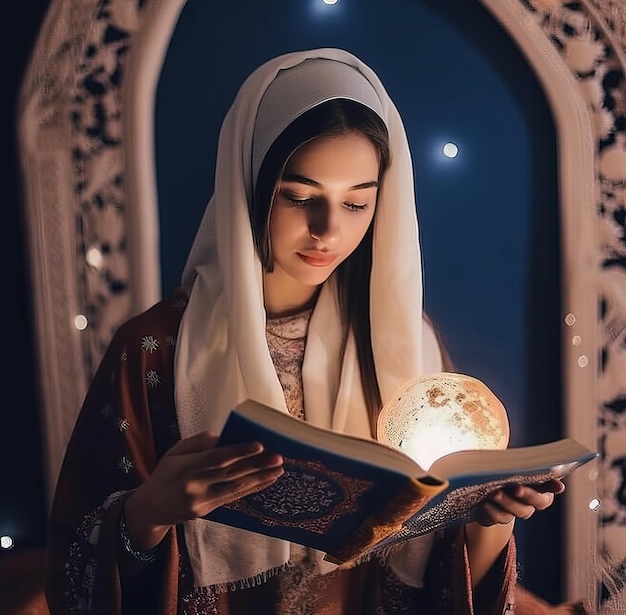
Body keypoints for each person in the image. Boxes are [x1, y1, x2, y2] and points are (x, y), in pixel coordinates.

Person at [45, 48, 574, 615]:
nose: (328, 230)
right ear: (248, 184)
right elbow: (75, 573)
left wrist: (486, 524)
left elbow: (433, 572)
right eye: (299, 197)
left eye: (357, 203)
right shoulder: (155, 352)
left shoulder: (406, 347)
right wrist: (147, 513)